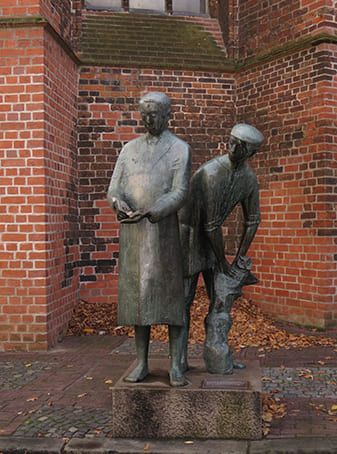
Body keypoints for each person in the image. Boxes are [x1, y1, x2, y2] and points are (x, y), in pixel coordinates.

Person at [107, 92, 191, 387]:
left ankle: (175, 365)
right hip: (133, 234)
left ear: (168, 115)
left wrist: (156, 210)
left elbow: (181, 191)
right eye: (144, 113)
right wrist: (117, 203)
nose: (148, 119)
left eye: (154, 113)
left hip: (164, 234)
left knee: (170, 301)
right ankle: (141, 362)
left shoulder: (179, 149)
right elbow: (114, 188)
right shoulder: (129, 149)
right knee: (138, 301)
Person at [179, 123, 264, 372]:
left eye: (241, 146)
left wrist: (240, 257)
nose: (234, 147)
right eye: (232, 141)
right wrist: (225, 262)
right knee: (185, 299)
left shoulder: (248, 179)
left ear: (252, 153)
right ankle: (179, 360)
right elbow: (211, 225)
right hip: (190, 236)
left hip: (211, 238)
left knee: (221, 298)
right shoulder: (213, 172)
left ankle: (218, 355)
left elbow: (253, 219)